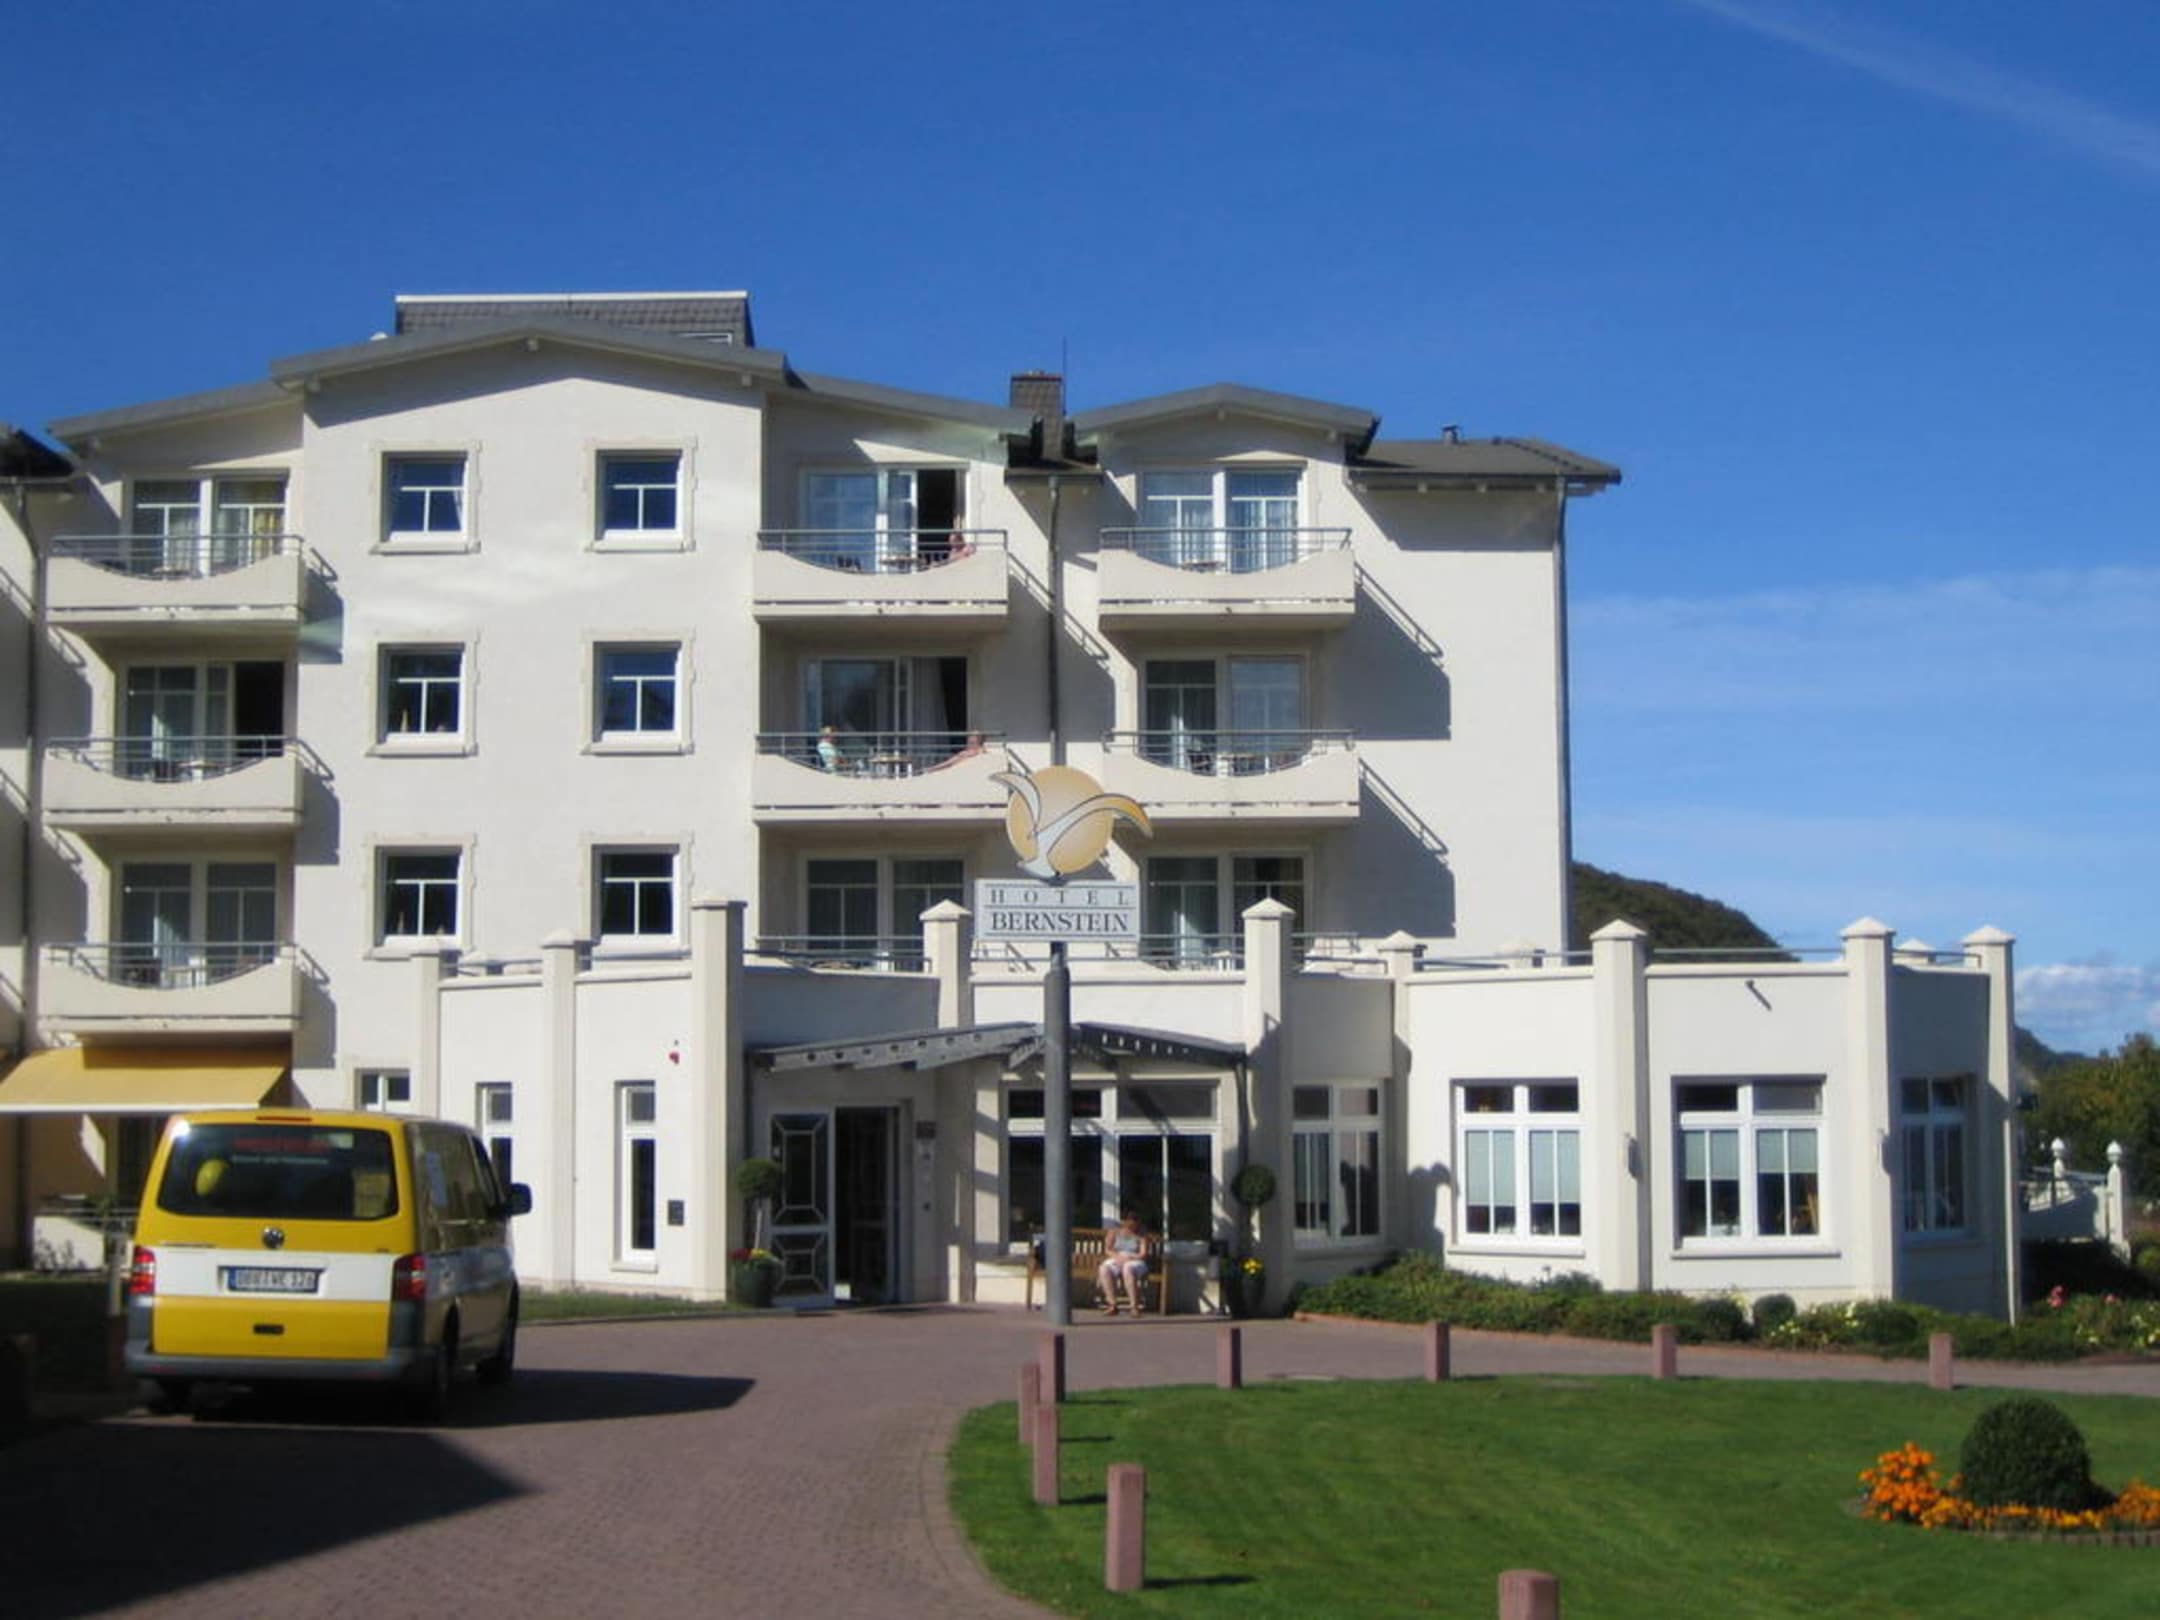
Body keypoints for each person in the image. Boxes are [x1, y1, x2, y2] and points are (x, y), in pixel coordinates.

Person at [1095, 1211, 1152, 1316]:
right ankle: (1112, 1305)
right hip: (1117, 1257)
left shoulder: (1142, 1234)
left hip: (1135, 1259)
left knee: (1128, 1268)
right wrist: (1117, 1257)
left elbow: (1143, 1254)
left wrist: (1130, 1258)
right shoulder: (1114, 1232)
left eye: (1133, 1224)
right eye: (1128, 1223)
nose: (1131, 1227)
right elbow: (1108, 1249)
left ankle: (1134, 1307)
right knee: (1104, 1269)